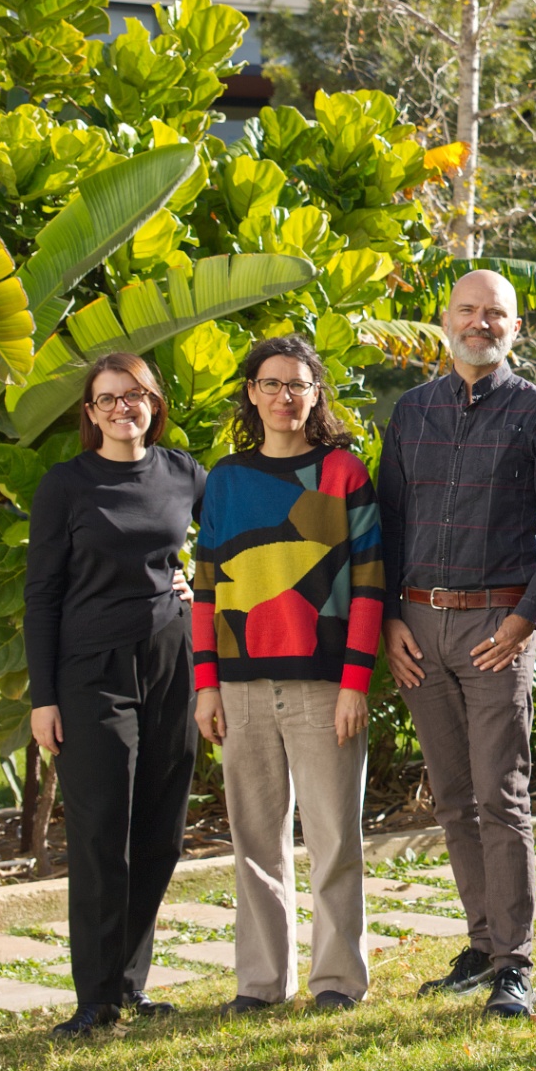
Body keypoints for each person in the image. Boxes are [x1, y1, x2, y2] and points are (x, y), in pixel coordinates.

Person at [379, 269, 536, 1019]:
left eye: (497, 314)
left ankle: (516, 963)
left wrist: (525, 620)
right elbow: (389, 524)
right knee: (453, 796)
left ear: (515, 328)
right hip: (419, 626)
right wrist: (390, 617)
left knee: (502, 794)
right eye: (469, 309)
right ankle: (481, 943)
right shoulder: (412, 410)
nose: (480, 322)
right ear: (445, 317)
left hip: (497, 627)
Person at [192, 336, 384, 1015]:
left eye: (297, 384)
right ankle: (259, 982)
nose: (283, 396)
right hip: (240, 689)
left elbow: (367, 586)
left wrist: (356, 681)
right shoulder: (226, 479)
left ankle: (336, 980)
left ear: (315, 394)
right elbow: (207, 586)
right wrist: (205, 683)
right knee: (253, 843)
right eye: (271, 384)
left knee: (333, 839)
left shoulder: (342, 473)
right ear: (252, 392)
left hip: (324, 687)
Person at [25, 353, 204, 1038]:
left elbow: (224, 549)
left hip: (169, 663)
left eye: (135, 395)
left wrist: (196, 583)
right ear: (90, 412)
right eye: (107, 399)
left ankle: (131, 984)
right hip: (89, 671)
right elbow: (40, 595)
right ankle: (94, 995)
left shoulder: (184, 472)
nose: (122, 408)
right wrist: (45, 697)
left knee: (160, 828)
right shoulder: (65, 485)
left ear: (154, 402)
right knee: (103, 832)